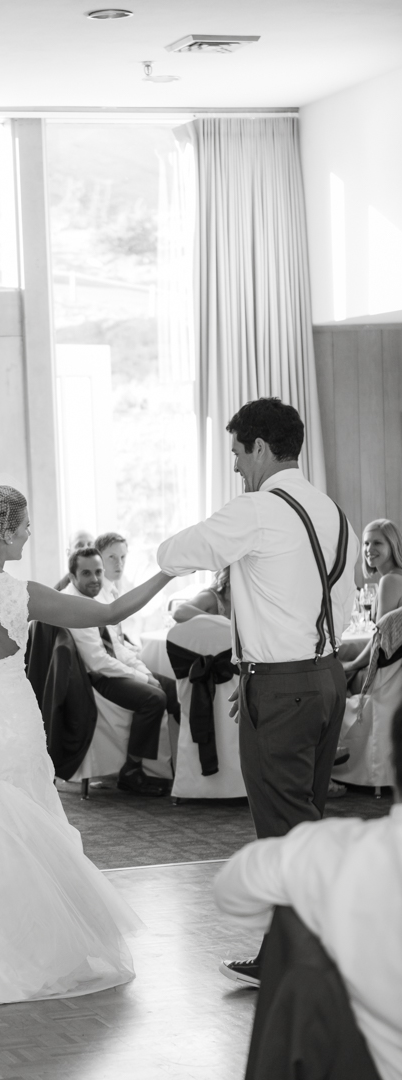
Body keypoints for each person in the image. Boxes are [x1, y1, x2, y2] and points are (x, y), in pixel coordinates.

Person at [0, 484, 172, 1005]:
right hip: (12, 723)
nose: (28, 533)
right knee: (29, 824)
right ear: (3, 532)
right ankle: (32, 949)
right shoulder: (23, 594)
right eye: (24, 525)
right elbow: (111, 613)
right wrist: (168, 573)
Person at [156, 397, 359, 987]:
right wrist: (262, 667)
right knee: (303, 822)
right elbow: (338, 607)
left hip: (282, 690)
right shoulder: (334, 513)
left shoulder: (258, 510)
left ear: (262, 448)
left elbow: (173, 553)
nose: (237, 467)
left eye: (239, 453)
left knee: (283, 831)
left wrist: (268, 675)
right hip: (324, 679)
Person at [213, 706, 402, 1080]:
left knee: (295, 912)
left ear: (393, 764)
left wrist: (322, 914)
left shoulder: (338, 852)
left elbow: (231, 889)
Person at [63, 546, 176, 796]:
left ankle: (183, 769)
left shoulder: (97, 598)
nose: (95, 579)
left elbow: (117, 646)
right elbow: (98, 661)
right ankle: (132, 771)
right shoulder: (74, 606)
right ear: (72, 576)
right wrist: (143, 679)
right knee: (154, 698)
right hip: (95, 678)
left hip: (110, 667)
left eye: (98, 572)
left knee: (174, 690)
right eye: (86, 573)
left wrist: (144, 672)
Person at [343, 519, 402, 681]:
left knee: (335, 669)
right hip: (394, 661)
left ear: (393, 545)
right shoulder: (395, 576)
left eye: (377, 543)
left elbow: (381, 640)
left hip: (393, 671)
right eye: (366, 543)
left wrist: (352, 665)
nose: (369, 549)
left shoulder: (390, 581)